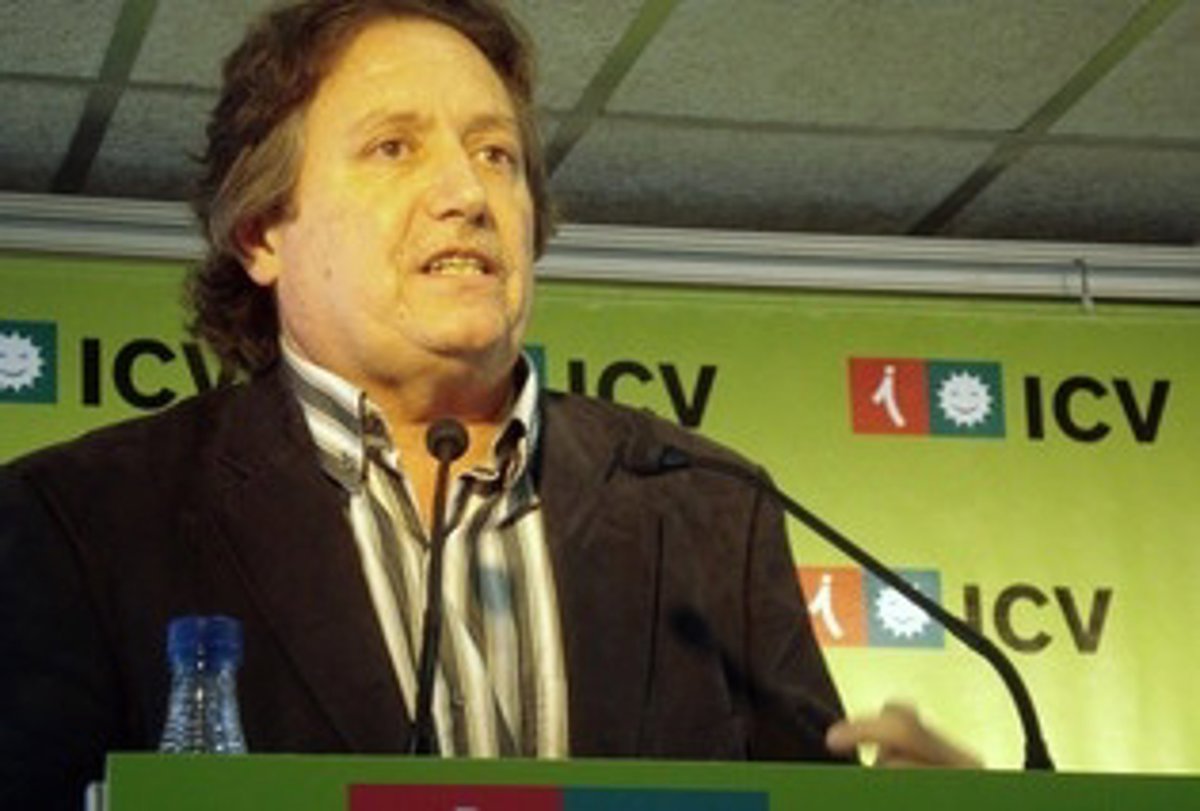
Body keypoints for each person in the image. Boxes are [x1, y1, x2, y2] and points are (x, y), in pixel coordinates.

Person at [0, 1, 977, 808]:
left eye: (496, 154)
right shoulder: (80, 523)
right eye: (393, 148)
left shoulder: (711, 507)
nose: (466, 193)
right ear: (262, 232)